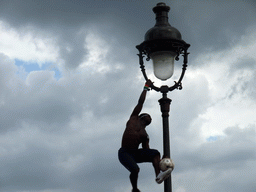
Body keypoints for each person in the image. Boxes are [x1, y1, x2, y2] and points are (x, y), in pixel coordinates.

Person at [118, 80, 172, 192]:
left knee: (155, 153)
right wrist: (146, 87)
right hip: (124, 152)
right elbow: (140, 102)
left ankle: (158, 176)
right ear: (143, 117)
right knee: (135, 169)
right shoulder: (133, 119)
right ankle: (134, 189)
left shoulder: (145, 135)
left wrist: (159, 160)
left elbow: (146, 150)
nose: (151, 118)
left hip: (135, 153)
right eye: (149, 116)